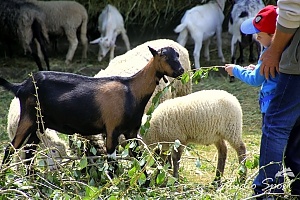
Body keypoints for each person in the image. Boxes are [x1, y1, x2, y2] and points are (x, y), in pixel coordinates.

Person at [252, 0, 300, 198]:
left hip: (296, 65)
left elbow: (292, 9)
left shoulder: (272, 53)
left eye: (260, 35)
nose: (255, 38)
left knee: (275, 124)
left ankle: (267, 189)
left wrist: (276, 50)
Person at [224, 5, 279, 129]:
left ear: (273, 35)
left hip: (271, 105)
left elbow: (255, 80)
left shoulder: (269, 54)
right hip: (281, 104)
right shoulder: (283, 51)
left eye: (259, 35)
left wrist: (236, 70)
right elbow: (269, 73)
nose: (257, 39)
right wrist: (256, 69)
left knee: (271, 138)